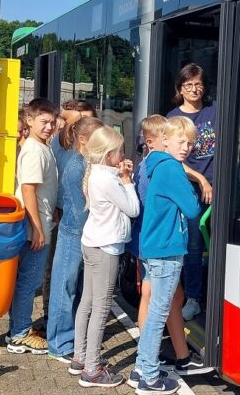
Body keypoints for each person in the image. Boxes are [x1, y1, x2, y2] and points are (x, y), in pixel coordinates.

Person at [130, 115, 206, 385]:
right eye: (180, 141)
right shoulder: (172, 168)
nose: (186, 147)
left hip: (153, 247)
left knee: (155, 311)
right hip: (166, 249)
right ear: (164, 140)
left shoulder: (155, 164)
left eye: (190, 143)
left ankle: (142, 366)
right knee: (159, 312)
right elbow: (193, 208)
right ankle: (149, 377)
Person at [73, 127, 138, 388]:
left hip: (91, 243)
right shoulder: (109, 180)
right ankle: (92, 369)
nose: (124, 153)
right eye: (120, 150)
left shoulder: (97, 173)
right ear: (110, 154)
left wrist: (121, 174)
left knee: (87, 302)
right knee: (100, 308)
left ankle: (80, 356)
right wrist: (128, 181)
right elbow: (132, 209)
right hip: (106, 248)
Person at [47, 116, 104, 364]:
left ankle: (70, 338)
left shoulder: (86, 163)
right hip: (74, 233)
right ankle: (59, 343)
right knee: (64, 288)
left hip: (81, 233)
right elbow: (83, 208)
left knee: (73, 287)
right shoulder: (76, 167)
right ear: (83, 140)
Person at [7, 98, 59, 354]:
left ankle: (20, 326)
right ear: (29, 120)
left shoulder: (40, 147)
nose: (49, 126)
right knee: (28, 281)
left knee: (28, 280)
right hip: (33, 228)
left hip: (38, 223)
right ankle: (19, 334)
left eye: (52, 121)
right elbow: (28, 189)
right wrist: (37, 228)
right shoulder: (34, 150)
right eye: (44, 121)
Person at [165, 63, 215, 321]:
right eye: (188, 85)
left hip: (219, 189)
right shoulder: (175, 118)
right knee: (193, 245)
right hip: (193, 190)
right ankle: (193, 298)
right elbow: (174, 159)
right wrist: (201, 180)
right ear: (180, 88)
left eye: (198, 84)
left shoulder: (214, 110)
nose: (194, 89)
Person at [43, 99, 97, 327]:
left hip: (89, 214)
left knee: (80, 272)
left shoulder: (94, 148)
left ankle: (77, 319)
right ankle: (51, 317)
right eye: (80, 120)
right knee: (58, 268)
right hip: (64, 211)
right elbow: (54, 176)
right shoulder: (59, 143)